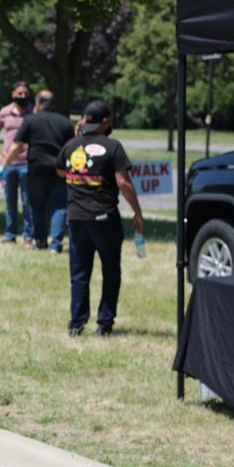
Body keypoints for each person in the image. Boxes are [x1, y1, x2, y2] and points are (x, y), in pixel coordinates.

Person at [55, 101, 144, 337]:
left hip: (76, 218)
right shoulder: (113, 147)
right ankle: (104, 323)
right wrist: (137, 211)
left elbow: (61, 171)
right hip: (104, 218)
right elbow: (123, 182)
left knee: (80, 272)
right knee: (111, 270)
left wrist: (76, 142)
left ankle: (76, 323)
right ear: (105, 121)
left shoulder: (71, 146)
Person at [1, 90, 74, 253]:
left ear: (38, 103)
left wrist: (4, 165)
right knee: (59, 206)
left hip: (36, 169)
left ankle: (40, 241)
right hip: (59, 169)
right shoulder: (65, 122)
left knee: (37, 206)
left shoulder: (30, 120)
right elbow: (72, 148)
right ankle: (55, 244)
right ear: (53, 103)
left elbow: (17, 145)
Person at [0, 81, 34, 245]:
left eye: (25, 94)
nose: (23, 96)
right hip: (8, 164)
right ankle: (10, 234)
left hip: (27, 162)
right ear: (13, 94)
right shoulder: (4, 112)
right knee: (10, 201)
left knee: (27, 201)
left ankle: (28, 234)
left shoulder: (33, 112)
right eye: (19, 93)